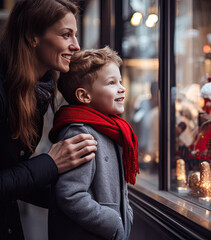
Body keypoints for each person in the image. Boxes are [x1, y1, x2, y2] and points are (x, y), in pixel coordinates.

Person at [0, 1, 98, 239]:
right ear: (33, 36)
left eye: (75, 35)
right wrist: (51, 163)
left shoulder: (38, 91)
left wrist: (74, 196)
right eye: (66, 35)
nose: (76, 45)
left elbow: (12, 176)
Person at [48, 46, 138, 240]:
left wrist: (126, 215)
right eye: (111, 82)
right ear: (84, 96)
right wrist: (113, 222)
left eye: (120, 81)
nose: (122, 88)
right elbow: (70, 195)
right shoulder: (81, 133)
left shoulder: (109, 128)